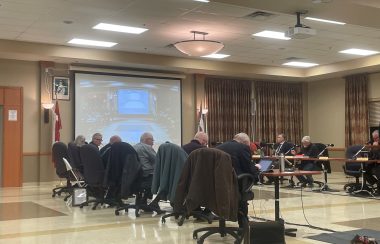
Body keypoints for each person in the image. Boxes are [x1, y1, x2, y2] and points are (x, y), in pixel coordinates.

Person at [216, 132, 260, 227]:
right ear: (244, 142)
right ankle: (243, 223)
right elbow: (248, 167)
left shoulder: (218, 148)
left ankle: (223, 224)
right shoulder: (242, 148)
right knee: (243, 190)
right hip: (235, 185)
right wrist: (256, 171)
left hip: (217, 185)